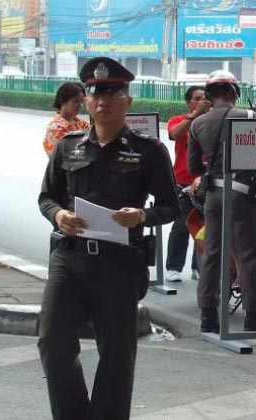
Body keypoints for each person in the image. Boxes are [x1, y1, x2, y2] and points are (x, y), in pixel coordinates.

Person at [37, 57, 179, 420]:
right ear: (86, 100)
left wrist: (142, 216)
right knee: (52, 342)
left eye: (113, 94)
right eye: (96, 94)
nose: (103, 101)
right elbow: (46, 198)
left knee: (117, 353)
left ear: (127, 102)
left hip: (119, 262)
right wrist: (59, 215)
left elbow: (170, 207)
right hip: (69, 258)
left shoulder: (149, 151)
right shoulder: (68, 146)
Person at [188, 70, 256, 333]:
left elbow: (194, 167)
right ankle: (254, 317)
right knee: (249, 256)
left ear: (210, 95)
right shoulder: (250, 116)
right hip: (245, 196)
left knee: (213, 255)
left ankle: (208, 317)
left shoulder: (197, 124)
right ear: (235, 93)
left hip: (214, 196)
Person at [164, 85, 211, 282]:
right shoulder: (178, 120)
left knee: (206, 227)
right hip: (183, 181)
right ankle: (174, 266)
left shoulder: (213, 123)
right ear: (188, 101)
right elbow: (175, 134)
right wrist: (195, 115)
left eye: (205, 98)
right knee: (182, 224)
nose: (202, 101)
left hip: (208, 181)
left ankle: (198, 266)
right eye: (197, 98)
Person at [43, 82, 91, 156]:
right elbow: (69, 155)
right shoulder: (55, 128)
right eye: (76, 101)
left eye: (82, 102)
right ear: (62, 101)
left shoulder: (82, 123)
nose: (81, 105)